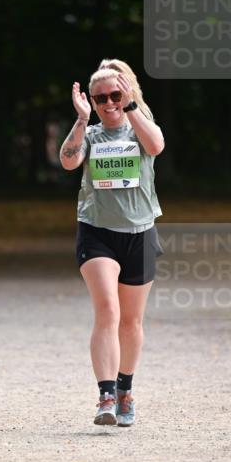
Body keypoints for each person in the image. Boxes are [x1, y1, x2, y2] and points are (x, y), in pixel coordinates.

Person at [59, 58, 165, 427]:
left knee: (132, 322)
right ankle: (105, 395)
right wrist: (80, 119)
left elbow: (156, 145)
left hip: (140, 232)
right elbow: (68, 162)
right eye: (100, 97)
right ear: (91, 99)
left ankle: (125, 390)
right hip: (97, 232)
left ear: (126, 94)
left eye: (115, 95)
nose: (108, 103)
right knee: (108, 310)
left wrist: (132, 107)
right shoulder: (89, 135)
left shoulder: (140, 129)